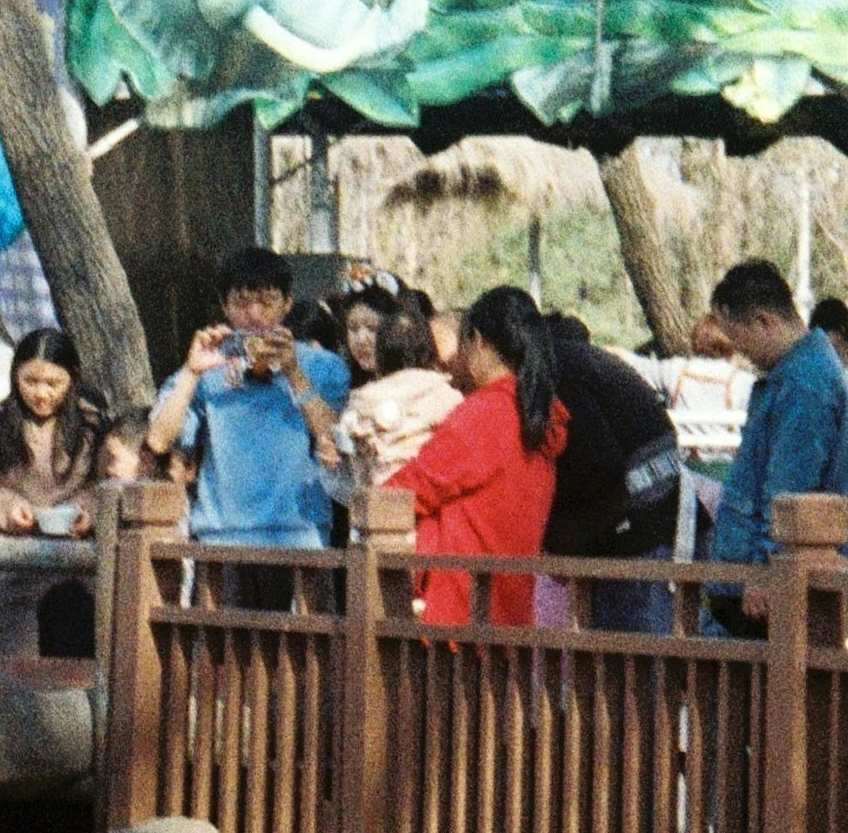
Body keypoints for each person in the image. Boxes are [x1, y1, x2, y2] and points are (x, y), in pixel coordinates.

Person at [473, 284, 684, 632]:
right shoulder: (558, 363)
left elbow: (599, 467)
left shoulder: (558, 372)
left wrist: (564, 538)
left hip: (640, 525)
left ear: (479, 342)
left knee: (636, 662)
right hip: (626, 523)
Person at [141, 243, 351, 558]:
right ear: (223, 307)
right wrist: (190, 372)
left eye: (267, 302)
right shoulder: (208, 365)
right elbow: (158, 441)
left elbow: (333, 441)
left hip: (301, 535)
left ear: (287, 305)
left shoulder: (324, 367)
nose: (254, 316)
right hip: (221, 535)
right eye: (241, 303)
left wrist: (293, 372)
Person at [702, 257, 848, 629]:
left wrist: (765, 568)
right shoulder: (800, 375)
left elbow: (789, 487)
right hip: (772, 573)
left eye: (738, 338)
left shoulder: (804, 385)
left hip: (776, 582)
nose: (739, 353)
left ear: (764, 321)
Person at [393, 293, 565, 627]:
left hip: (458, 608)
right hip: (510, 608)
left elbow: (415, 485)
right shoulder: (540, 413)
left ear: (479, 342)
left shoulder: (485, 413)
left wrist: (367, 501)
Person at [0, 326, 120, 654]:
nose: (41, 393)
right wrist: (7, 508)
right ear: (14, 376)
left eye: (53, 383)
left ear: (72, 379)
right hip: (15, 568)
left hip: (80, 571)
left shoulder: (91, 426)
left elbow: (110, 484)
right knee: (1, 666)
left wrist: (87, 512)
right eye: (30, 381)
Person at [336, 298, 463, 483]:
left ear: (380, 352)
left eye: (371, 328)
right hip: (426, 492)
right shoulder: (443, 392)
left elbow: (352, 463)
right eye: (353, 328)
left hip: (380, 496)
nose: (362, 339)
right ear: (429, 351)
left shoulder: (361, 399)